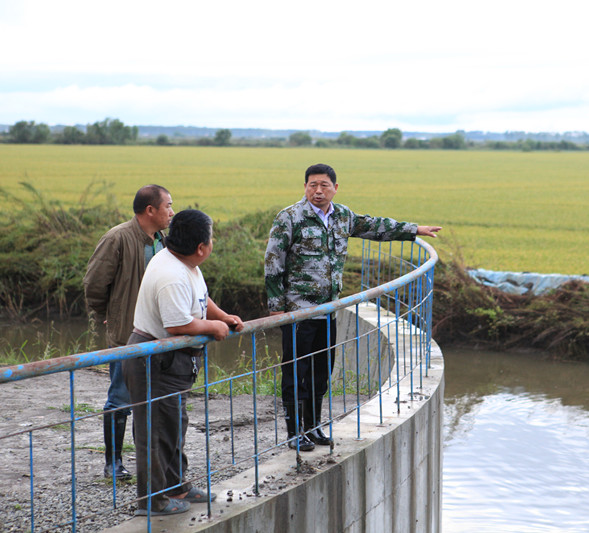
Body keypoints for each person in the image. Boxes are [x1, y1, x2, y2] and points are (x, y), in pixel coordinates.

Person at [264, 163, 441, 451]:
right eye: (312, 185)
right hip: (298, 311)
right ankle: (294, 433)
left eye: (324, 185)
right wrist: (276, 308)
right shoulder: (290, 218)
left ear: (335, 188)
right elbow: (273, 261)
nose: (317, 190)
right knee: (296, 373)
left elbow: (375, 226)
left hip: (329, 310)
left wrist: (413, 230)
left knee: (321, 372)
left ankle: (314, 428)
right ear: (305, 187)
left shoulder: (343, 216)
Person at [123, 209, 244, 516]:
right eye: (211, 238)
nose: (212, 243)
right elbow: (177, 324)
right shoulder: (171, 275)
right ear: (202, 248)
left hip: (173, 360)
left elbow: (200, 298)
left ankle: (177, 486)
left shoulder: (183, 262)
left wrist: (222, 316)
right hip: (155, 357)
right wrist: (213, 328)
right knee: (155, 430)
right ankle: (152, 501)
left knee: (174, 424)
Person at [83, 184, 174, 480]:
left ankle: (146, 462)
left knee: (151, 400)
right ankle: (113, 463)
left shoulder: (163, 241)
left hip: (159, 336)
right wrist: (107, 315)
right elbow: (94, 284)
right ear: (150, 210)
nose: (172, 212)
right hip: (126, 335)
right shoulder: (117, 238)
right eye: (168, 206)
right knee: (120, 397)